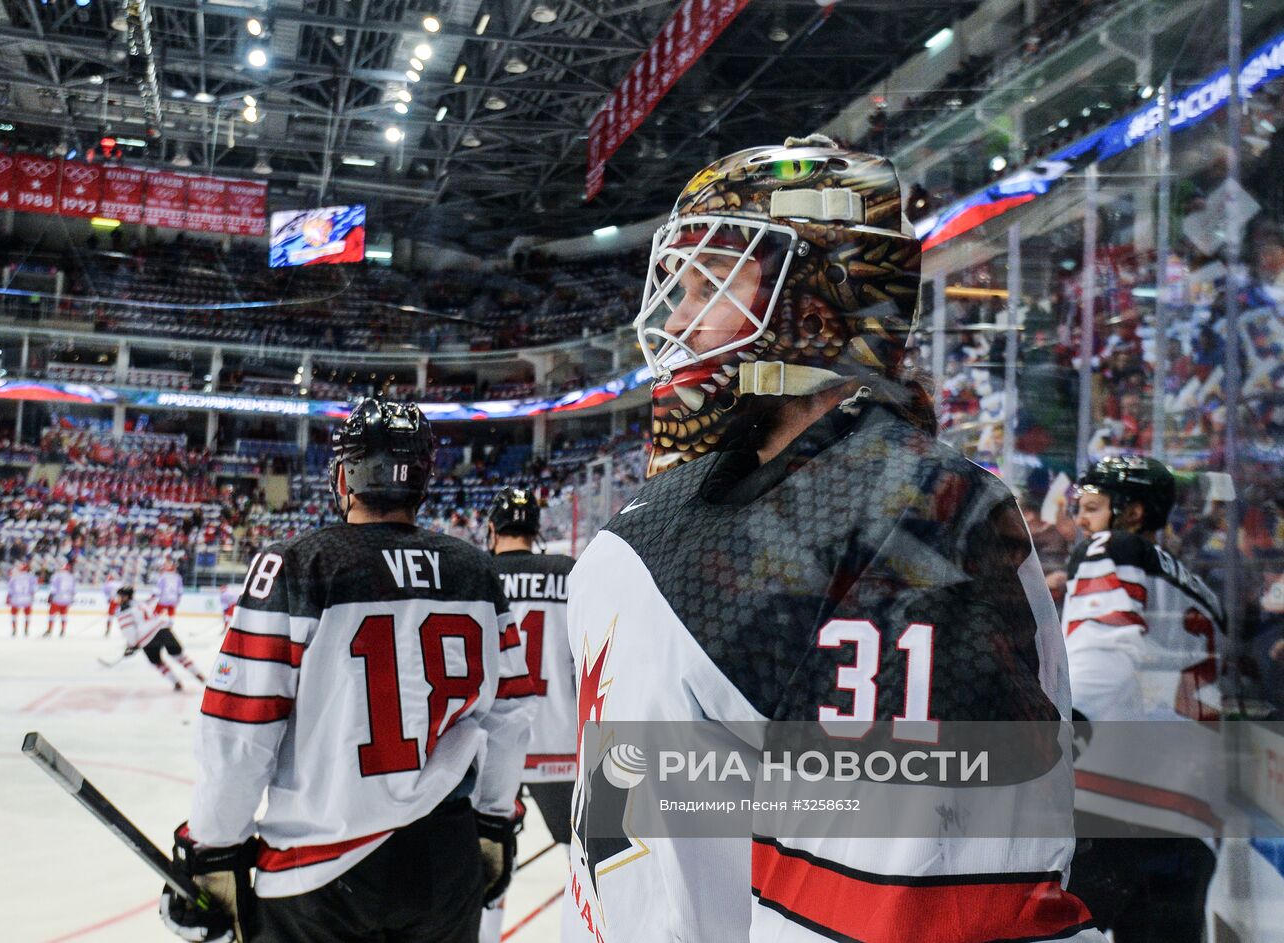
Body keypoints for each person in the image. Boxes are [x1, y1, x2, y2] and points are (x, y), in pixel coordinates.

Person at [565, 134, 1097, 942]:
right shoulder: (688, 509)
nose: (676, 320)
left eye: (707, 284)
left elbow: (927, 905)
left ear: (813, 313)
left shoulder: (914, 520)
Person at [158, 398, 537, 943]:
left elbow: (241, 729)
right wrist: (494, 821)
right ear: (423, 479)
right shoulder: (476, 572)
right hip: (442, 860)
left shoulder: (295, 565)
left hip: (319, 869)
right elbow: (509, 718)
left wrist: (215, 846)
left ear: (343, 477)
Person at [1060, 455, 1222, 942]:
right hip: (1193, 812)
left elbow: (1104, 655)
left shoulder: (1115, 546)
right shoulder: (1205, 593)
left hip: (1116, 801)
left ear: (1131, 514)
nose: (1082, 521)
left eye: (1091, 507)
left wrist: (1059, 739)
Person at [479, 485, 575, 943]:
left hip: (493, 747)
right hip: (567, 747)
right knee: (599, 865)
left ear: (492, 530)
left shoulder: (476, 574)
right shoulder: (572, 573)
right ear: (536, 532)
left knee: (486, 862)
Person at [115, 585, 206, 691]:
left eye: (119, 596)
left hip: (146, 639)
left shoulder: (123, 612)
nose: (117, 599)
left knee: (157, 662)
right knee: (178, 655)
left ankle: (176, 682)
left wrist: (132, 645)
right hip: (162, 629)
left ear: (125, 597)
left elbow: (129, 631)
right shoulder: (141, 603)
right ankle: (199, 675)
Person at [6, 561, 38, 637]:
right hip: (27, 598)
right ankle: (26, 630)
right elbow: (34, 588)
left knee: (14, 615)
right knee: (27, 615)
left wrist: (8, 597)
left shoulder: (14, 577)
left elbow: (10, 589)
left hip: (16, 598)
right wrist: (32, 596)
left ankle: (14, 630)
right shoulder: (31, 577)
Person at [45, 561, 77, 638]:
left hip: (57, 598)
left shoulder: (57, 576)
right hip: (67, 599)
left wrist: (50, 597)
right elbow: (73, 590)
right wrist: (71, 599)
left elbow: (53, 588)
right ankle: (63, 630)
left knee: (52, 615)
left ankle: (49, 630)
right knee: (64, 615)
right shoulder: (71, 577)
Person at [154, 558, 183, 624]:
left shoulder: (163, 576)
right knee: (171, 610)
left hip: (164, 598)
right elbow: (180, 589)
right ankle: (171, 622)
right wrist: (178, 598)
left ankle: (156, 622)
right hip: (173, 598)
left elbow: (158, 588)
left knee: (157, 611)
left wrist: (155, 595)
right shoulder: (178, 577)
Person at [103, 571, 123, 636]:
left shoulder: (109, 584)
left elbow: (105, 591)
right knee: (121, 616)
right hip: (119, 601)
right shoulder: (120, 583)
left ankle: (108, 630)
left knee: (110, 617)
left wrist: (108, 599)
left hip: (114, 601)